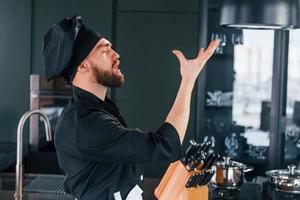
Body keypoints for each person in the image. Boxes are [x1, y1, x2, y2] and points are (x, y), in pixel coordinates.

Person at [42, 15, 219, 200]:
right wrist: (188, 80)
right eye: (105, 50)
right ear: (83, 66)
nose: (116, 55)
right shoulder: (85, 124)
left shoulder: (97, 109)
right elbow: (165, 145)